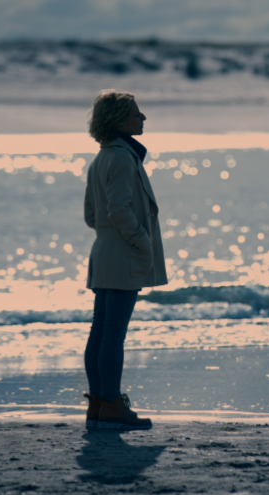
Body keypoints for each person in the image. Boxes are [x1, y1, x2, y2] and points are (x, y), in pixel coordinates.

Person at [82, 90, 168, 430]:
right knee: (113, 334)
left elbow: (92, 215)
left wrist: (112, 235)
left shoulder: (103, 157)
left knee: (100, 332)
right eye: (136, 112)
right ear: (118, 120)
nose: (143, 117)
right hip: (122, 256)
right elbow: (118, 209)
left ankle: (100, 404)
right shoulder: (120, 157)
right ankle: (111, 402)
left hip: (105, 252)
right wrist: (140, 240)